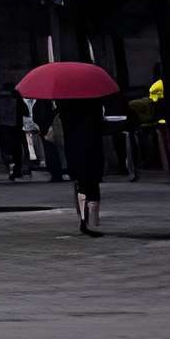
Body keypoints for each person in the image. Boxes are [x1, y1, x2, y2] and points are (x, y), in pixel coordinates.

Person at [56, 94, 107, 235]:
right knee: (92, 185)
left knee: (81, 184)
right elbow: (100, 123)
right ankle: (92, 221)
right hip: (92, 146)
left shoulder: (64, 101)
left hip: (74, 148)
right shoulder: (94, 100)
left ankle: (84, 220)